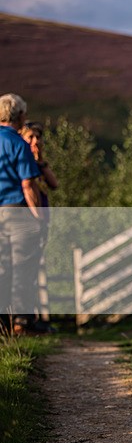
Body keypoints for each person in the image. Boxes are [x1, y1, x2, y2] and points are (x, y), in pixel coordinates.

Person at [0, 94, 43, 335]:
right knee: (22, 268)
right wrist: (38, 217)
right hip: (15, 212)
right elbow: (28, 185)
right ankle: (20, 324)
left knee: (2, 269)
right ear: (19, 116)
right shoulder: (18, 144)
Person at [20, 121, 58, 333]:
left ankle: (31, 317)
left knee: (33, 269)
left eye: (38, 137)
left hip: (42, 219)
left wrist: (40, 160)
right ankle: (24, 319)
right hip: (27, 220)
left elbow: (54, 183)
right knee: (24, 270)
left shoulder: (37, 163)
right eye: (30, 137)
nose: (36, 142)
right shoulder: (21, 161)